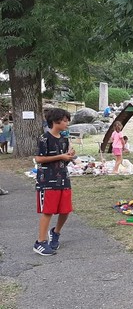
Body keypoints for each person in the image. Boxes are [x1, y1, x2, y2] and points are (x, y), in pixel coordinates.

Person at [34, 108, 75, 256]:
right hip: (47, 181)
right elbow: (38, 159)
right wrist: (61, 157)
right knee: (48, 211)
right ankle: (40, 242)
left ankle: (55, 232)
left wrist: (69, 157)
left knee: (65, 210)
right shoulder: (44, 138)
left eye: (67, 120)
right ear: (55, 121)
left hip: (63, 179)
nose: (67, 123)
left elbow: (64, 160)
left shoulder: (65, 139)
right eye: (64, 120)